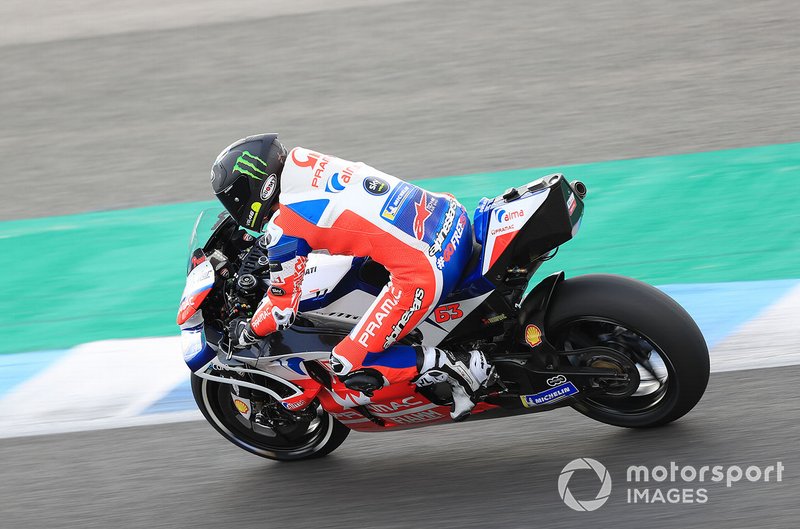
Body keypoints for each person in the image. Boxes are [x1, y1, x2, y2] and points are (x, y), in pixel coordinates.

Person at [211, 133, 492, 419]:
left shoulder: (286, 227)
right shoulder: (305, 161)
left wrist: (247, 331)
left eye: (233, 199)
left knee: (348, 362)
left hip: (426, 268)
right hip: (450, 217)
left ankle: (459, 365)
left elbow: (282, 311)